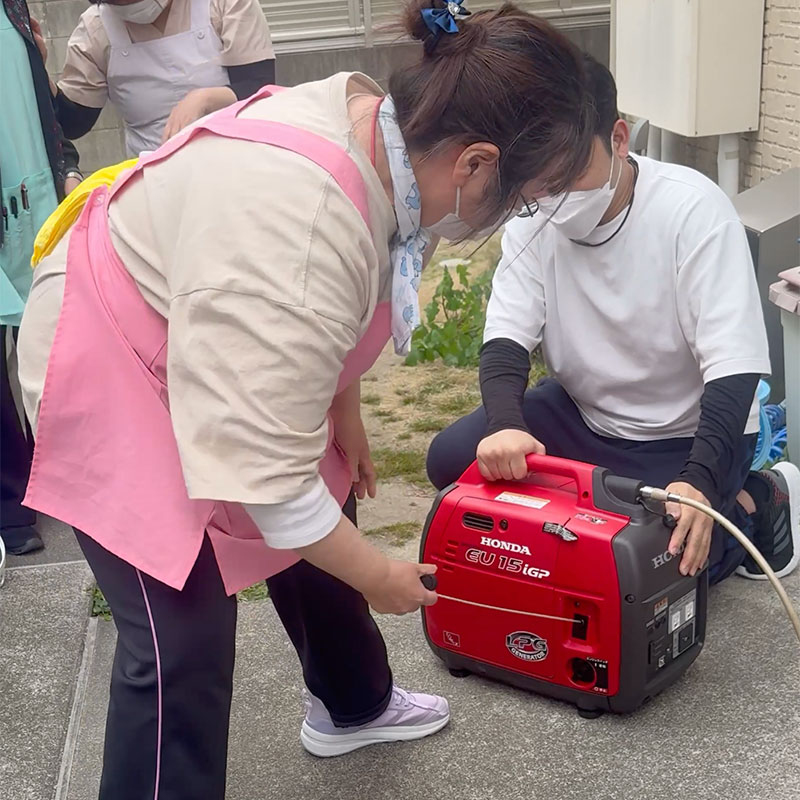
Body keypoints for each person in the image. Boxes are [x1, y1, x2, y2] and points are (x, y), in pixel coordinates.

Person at [17, 2, 595, 797]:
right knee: (179, 636)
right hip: (107, 343)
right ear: (474, 163)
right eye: (523, 195)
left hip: (205, 306)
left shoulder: (378, 127)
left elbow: (334, 292)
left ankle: (352, 705)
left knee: (326, 481)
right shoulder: (300, 230)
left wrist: (343, 409)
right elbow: (269, 478)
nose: (517, 214)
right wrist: (377, 576)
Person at [427, 54, 800, 586]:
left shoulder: (692, 210)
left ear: (619, 139)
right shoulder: (533, 220)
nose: (553, 197)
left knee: (657, 564)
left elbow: (734, 366)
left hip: (684, 433)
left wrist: (698, 478)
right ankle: (602, 508)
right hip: (584, 414)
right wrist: (506, 424)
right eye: (536, 181)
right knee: (453, 462)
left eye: (570, 173)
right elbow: (507, 338)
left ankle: (757, 501)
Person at [1, 0, 82, 555]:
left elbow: (37, 99)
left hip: (31, 188)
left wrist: (67, 161)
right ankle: (11, 499)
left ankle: (55, 478)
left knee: (53, 340)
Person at [52, 0, 276, 156]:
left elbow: (261, 88)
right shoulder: (96, 28)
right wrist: (38, 74)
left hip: (236, 161)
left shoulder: (222, 4)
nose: (128, 5)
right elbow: (74, 122)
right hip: (152, 178)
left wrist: (205, 99)